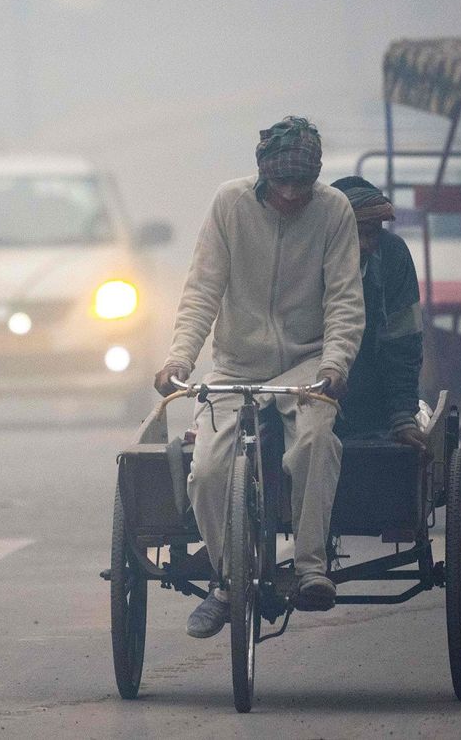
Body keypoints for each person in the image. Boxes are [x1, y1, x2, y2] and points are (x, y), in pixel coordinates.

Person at [153, 117, 365, 636]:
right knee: (205, 471)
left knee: (315, 441)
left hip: (307, 362)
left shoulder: (334, 210)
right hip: (235, 365)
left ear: (315, 178)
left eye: (302, 184)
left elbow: (343, 298)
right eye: (282, 184)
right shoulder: (230, 205)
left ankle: (313, 567)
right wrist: (180, 358)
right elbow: (202, 289)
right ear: (264, 176)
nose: (291, 195)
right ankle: (228, 581)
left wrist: (335, 364)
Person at [330, 176, 427, 453]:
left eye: (371, 233)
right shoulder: (310, 256)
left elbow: (403, 342)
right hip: (313, 399)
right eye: (355, 233)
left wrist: (402, 416)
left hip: (375, 402)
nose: (364, 244)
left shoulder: (392, 256)